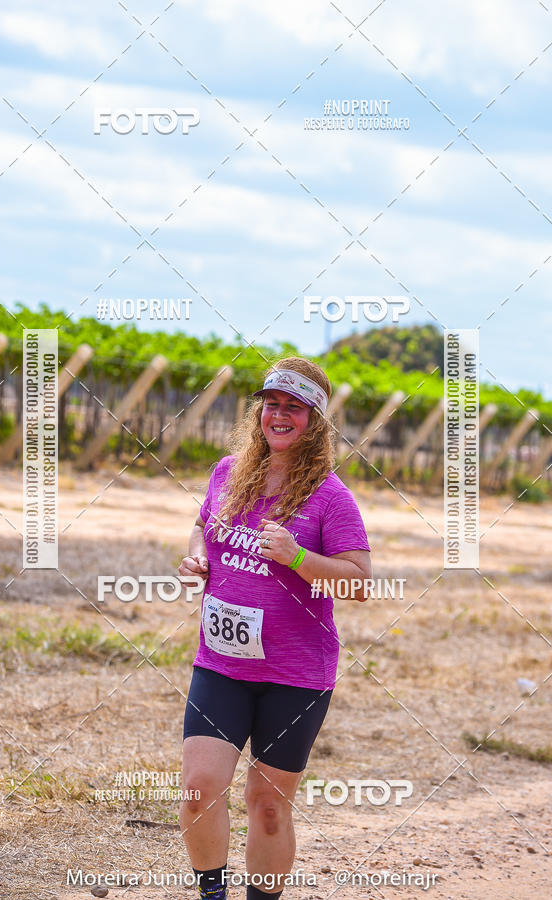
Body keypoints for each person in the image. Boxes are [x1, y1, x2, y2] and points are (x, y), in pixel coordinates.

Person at [178, 357, 372, 900]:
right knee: (198, 790)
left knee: (266, 806)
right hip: (221, 664)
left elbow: (358, 581)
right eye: (272, 403)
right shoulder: (227, 472)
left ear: (315, 422)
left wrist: (298, 556)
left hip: (295, 676)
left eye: (295, 407)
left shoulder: (330, 497)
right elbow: (201, 527)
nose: (279, 415)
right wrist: (197, 559)